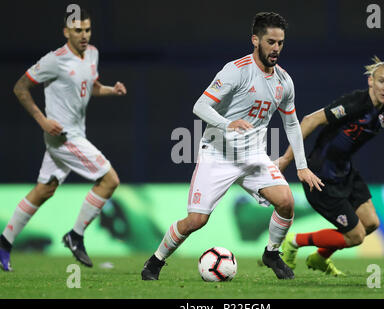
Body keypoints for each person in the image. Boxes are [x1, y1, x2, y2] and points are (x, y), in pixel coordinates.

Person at [141, 12, 323, 281]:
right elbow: (200, 106)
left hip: (253, 157)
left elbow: (293, 124)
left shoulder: (284, 82)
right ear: (255, 40)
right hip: (218, 154)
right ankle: (155, 262)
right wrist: (228, 124)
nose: (276, 48)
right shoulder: (236, 71)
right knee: (196, 221)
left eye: (280, 43)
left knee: (286, 202)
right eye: (271, 41)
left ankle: (271, 253)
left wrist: (302, 167)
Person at [277, 56, 384, 276]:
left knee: (371, 223)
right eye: (382, 81)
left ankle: (320, 258)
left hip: (345, 172)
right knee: (356, 236)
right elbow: (309, 121)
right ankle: (294, 242)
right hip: (322, 177)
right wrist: (286, 159)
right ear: (371, 81)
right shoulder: (354, 103)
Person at [0, 9, 127, 271]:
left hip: (76, 133)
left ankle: (4, 243)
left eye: (87, 30)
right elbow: (20, 87)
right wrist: (42, 120)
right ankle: (76, 235)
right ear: (66, 32)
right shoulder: (54, 60)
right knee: (109, 179)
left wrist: (110, 90)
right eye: (78, 30)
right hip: (63, 136)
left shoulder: (92, 53)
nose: (84, 35)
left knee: (44, 189)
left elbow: (91, 87)